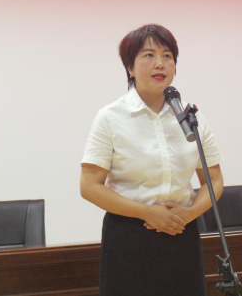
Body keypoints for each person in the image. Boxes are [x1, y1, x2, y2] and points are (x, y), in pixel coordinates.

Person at [80, 24, 224, 296]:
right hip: (129, 235)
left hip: (181, 230)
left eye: (167, 56)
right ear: (130, 68)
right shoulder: (110, 118)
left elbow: (214, 180)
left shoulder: (191, 118)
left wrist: (190, 213)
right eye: (149, 55)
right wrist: (147, 212)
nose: (160, 63)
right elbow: (89, 186)